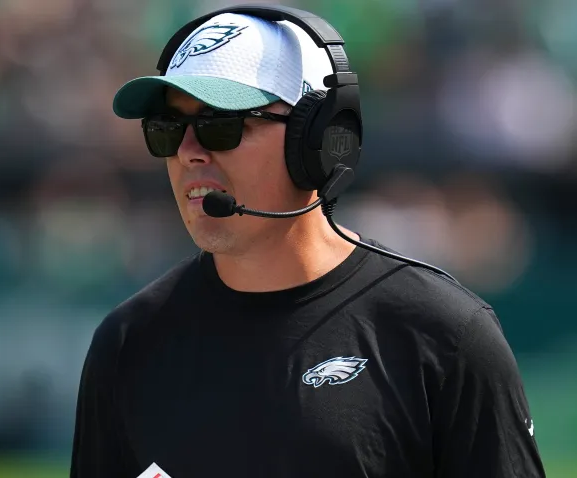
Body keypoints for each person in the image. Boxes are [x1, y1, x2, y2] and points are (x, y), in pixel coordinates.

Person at [70, 7, 546, 478]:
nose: (189, 153)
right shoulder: (127, 344)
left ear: (317, 138)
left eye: (221, 125)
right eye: (167, 130)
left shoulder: (445, 337)